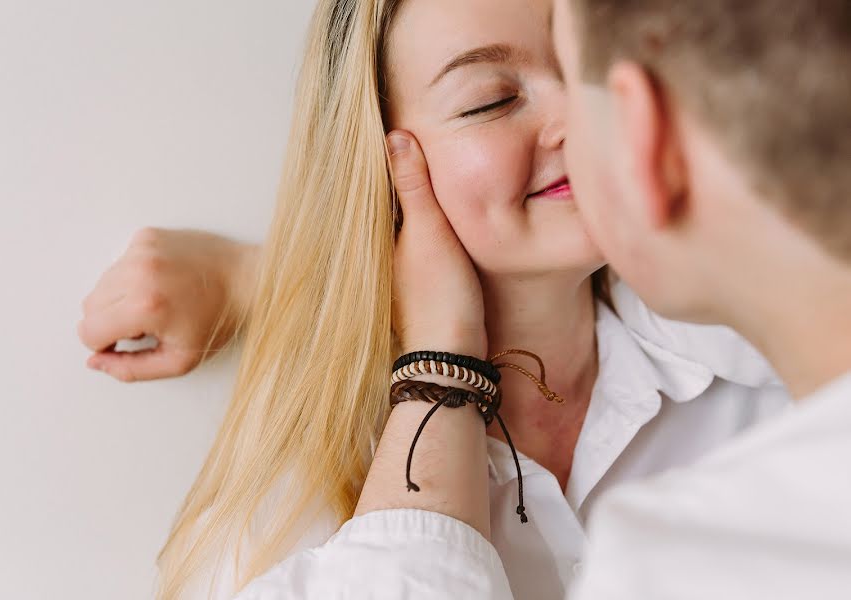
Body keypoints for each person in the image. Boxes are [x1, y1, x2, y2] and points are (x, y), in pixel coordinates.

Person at [78, 0, 797, 598]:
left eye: (589, 68)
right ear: (382, 167)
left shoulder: (762, 374)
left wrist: (255, 276)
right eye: (492, 100)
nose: (579, 119)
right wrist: (441, 356)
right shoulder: (286, 512)